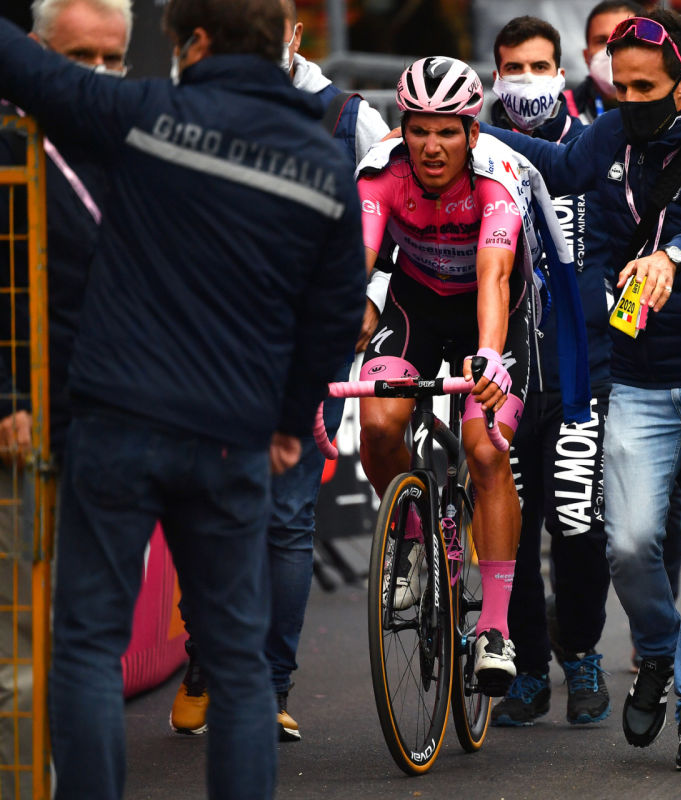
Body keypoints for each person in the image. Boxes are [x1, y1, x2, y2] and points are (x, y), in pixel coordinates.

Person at [0, 0, 367, 796]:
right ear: (279, 43)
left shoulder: (145, 115)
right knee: (238, 663)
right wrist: (289, 420)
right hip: (234, 436)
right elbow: (335, 311)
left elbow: (25, 68)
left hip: (117, 421)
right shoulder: (321, 159)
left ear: (194, 41)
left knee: (88, 646)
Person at [485, 8, 681, 771]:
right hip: (642, 372)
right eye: (621, 88)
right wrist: (465, 131)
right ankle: (657, 649)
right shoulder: (612, 132)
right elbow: (560, 166)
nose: (631, 101)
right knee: (631, 541)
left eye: (646, 88)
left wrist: (671, 257)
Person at [167, 0, 392, 742]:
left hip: (306, 344)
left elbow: (394, 214)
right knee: (203, 505)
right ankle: (208, 655)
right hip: (208, 344)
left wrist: (369, 298)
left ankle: (268, 687)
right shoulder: (188, 102)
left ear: (297, 32)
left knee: (287, 516)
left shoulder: (349, 118)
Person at [355, 56, 588, 697]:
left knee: (486, 451)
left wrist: (487, 356)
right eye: (419, 130)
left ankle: (495, 629)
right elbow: (358, 261)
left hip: (494, 310)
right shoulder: (380, 172)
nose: (431, 146)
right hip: (416, 303)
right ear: (403, 130)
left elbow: (494, 276)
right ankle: (410, 541)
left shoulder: (495, 182)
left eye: (446, 132)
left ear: (472, 133)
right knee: (379, 422)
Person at [1, 3, 129, 796]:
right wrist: (7, 393)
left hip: (105, 434)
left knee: (84, 642)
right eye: (80, 56)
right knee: (17, 645)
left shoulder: (138, 147)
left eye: (113, 59)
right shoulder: (8, 146)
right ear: (37, 54)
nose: (99, 75)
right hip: (20, 426)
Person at [482, 14, 614, 728]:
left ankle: (582, 652)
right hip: (502, 377)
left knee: (576, 520)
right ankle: (530, 667)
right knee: (512, 527)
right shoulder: (475, 154)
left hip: (580, 376)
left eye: (540, 66)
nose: (527, 80)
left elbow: (630, 244)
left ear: (562, 73)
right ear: (495, 75)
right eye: (514, 67)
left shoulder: (597, 149)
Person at [570, 0, 641, 123]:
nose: (612, 49)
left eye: (625, 38)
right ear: (586, 57)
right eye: (602, 41)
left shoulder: (669, 110)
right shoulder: (560, 115)